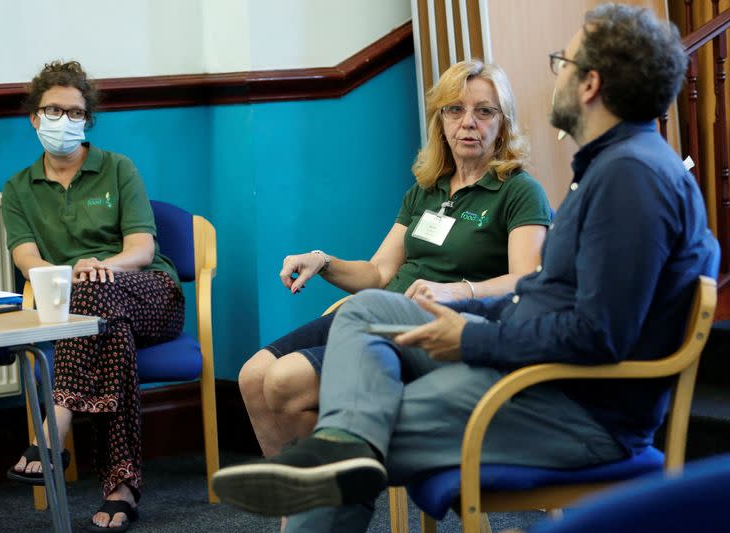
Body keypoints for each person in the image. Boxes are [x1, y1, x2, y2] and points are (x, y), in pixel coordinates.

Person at [211, 4, 720, 532]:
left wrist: (471, 335)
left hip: (565, 406)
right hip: (531, 372)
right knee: (367, 310)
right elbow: (544, 294)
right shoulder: (613, 168)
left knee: (349, 438)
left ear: (589, 84)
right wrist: (473, 316)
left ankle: (335, 453)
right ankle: (339, 447)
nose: (557, 75)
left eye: (562, 62)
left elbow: (598, 336)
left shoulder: (630, 179)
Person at [239, 59, 552, 460]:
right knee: (253, 377)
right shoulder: (426, 189)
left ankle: (331, 495)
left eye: (484, 111)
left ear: (503, 122)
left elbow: (526, 278)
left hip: (432, 330)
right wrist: (324, 261)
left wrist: (457, 290)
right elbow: (379, 272)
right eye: (455, 110)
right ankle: (300, 509)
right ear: (440, 120)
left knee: (284, 380)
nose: (468, 122)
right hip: (376, 309)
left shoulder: (519, 191)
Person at [2, 61, 183, 532]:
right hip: (84, 308)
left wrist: (101, 267)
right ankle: (121, 488)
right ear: (34, 118)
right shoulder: (18, 188)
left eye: (75, 112)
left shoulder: (118, 168)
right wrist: (71, 278)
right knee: (109, 332)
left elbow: (142, 249)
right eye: (53, 109)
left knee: (98, 297)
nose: (64, 120)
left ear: (87, 120)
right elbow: (28, 260)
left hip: (151, 295)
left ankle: (53, 427)